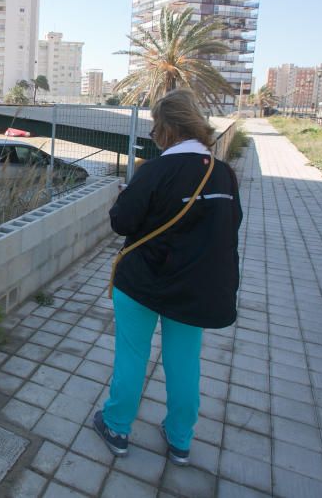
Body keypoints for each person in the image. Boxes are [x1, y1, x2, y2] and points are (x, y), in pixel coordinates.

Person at [94, 88, 243, 466]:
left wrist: (125, 198)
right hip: (193, 288)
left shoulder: (156, 170)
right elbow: (230, 226)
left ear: (166, 127)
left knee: (131, 356)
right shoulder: (223, 174)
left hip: (142, 283)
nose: (153, 134)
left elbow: (122, 222)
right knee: (184, 362)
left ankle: (117, 427)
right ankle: (179, 439)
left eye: (155, 126)